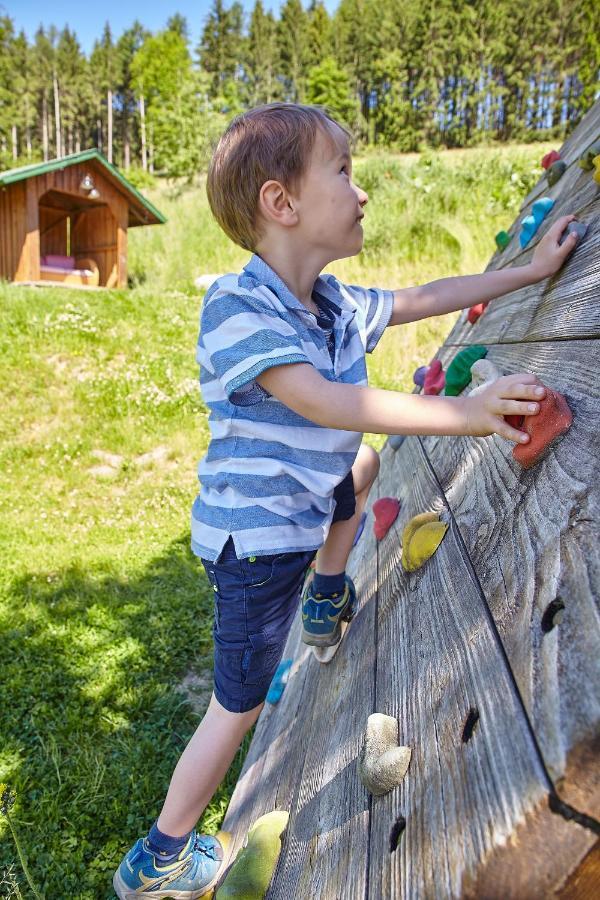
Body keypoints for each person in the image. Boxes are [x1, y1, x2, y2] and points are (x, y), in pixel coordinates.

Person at [113, 103, 579, 899]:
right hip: (257, 545)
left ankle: (324, 600)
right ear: (280, 202)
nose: (360, 191)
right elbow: (322, 402)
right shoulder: (236, 308)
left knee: (358, 472)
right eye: (343, 170)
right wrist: (460, 416)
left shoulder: (332, 304)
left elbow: (426, 295)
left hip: (307, 498)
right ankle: (158, 856)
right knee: (239, 701)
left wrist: (529, 271)